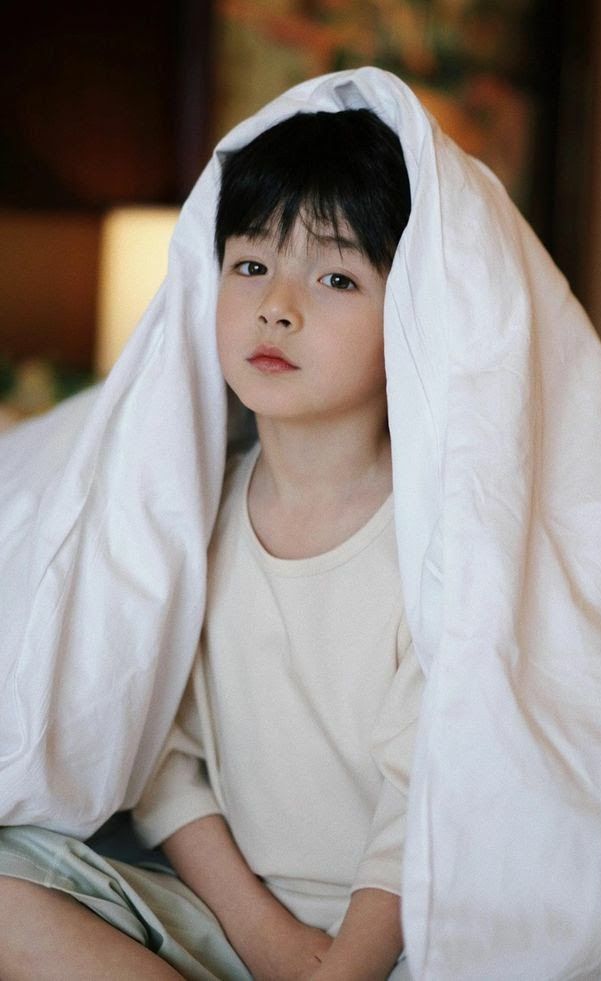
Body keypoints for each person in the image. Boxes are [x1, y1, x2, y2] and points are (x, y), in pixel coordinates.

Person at [0, 108, 420, 979]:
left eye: (336, 278)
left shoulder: (432, 539)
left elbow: (437, 797)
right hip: (223, 916)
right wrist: (261, 933)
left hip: (403, 935)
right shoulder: (189, 511)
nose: (276, 306)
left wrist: (343, 964)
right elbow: (163, 756)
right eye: (252, 265)